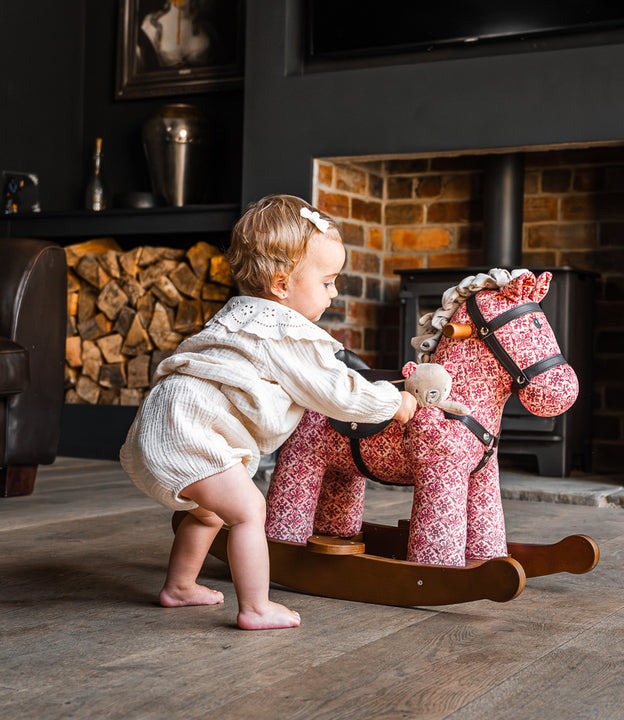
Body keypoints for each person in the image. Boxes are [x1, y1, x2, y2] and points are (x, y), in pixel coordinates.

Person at [120, 194, 417, 630]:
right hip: (191, 428)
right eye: (328, 281)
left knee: (209, 513)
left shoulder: (238, 315)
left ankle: (180, 587)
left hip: (161, 422)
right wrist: (395, 403)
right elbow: (336, 393)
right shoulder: (285, 332)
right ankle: (256, 606)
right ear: (281, 284)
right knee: (249, 511)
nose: (334, 293)